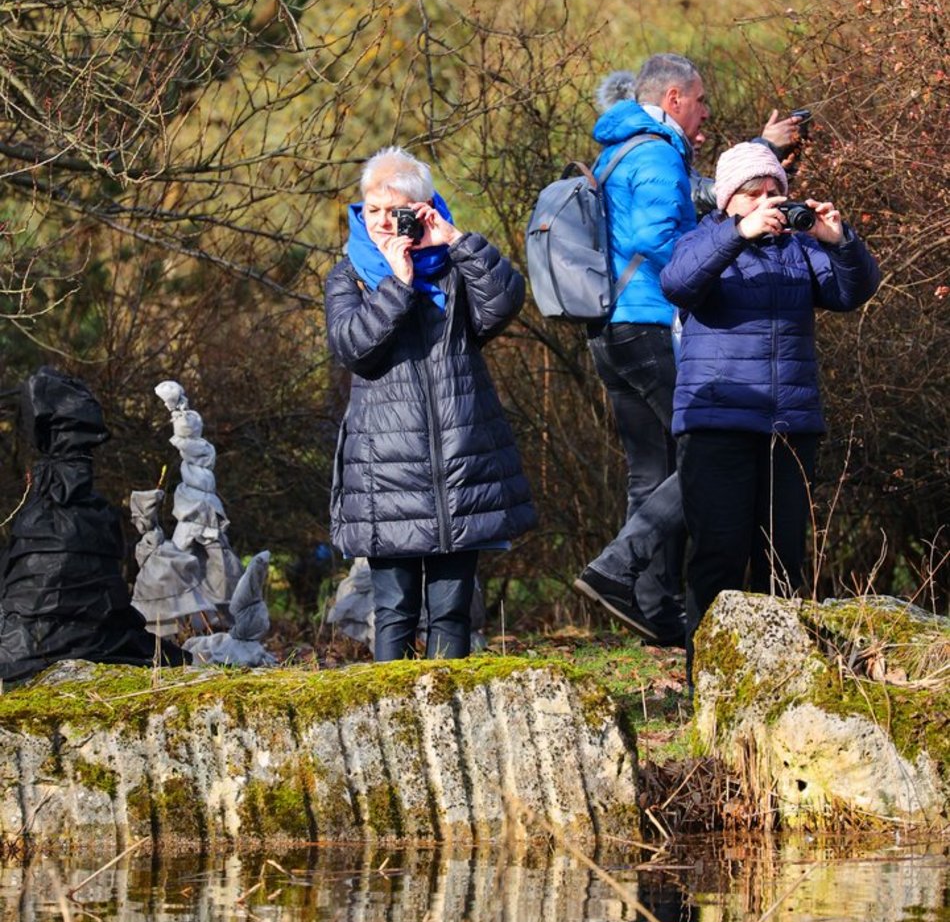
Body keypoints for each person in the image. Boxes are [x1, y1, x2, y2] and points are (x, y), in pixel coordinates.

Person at [572, 55, 806, 647]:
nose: (706, 112)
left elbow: (700, 200)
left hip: (615, 326)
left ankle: (648, 604)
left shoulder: (629, 145)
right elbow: (663, 242)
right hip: (648, 321)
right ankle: (619, 567)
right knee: (710, 446)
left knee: (652, 469)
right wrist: (726, 239)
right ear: (674, 97)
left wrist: (758, 150)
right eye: (700, 101)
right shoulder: (653, 151)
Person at [659, 141, 880, 678]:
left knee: (783, 559)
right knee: (718, 555)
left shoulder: (802, 251)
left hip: (789, 425)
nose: (767, 203)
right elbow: (678, 283)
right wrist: (738, 236)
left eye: (774, 192)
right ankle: (709, 683)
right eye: (752, 194)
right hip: (716, 423)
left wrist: (839, 239)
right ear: (728, 199)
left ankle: (778, 685)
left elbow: (855, 292)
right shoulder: (703, 239)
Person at [325, 146, 536, 661]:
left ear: (422, 210)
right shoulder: (349, 275)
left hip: (459, 459)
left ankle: (450, 725)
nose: (381, 222)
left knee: (451, 611)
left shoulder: (453, 270)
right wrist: (397, 286)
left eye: (393, 211)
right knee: (394, 612)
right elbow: (355, 349)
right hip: (385, 471)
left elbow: (504, 304)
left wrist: (457, 242)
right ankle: (390, 726)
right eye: (371, 210)